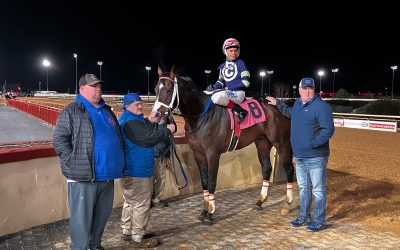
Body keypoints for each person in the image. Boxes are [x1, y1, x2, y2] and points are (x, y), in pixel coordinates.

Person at [53, 73, 124, 250]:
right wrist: (72, 163)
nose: (98, 88)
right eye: (94, 86)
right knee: (81, 224)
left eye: (99, 85)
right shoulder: (72, 110)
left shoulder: (107, 111)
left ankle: (95, 246)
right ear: (82, 89)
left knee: (101, 220)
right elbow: (60, 140)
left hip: (107, 177)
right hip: (84, 178)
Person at [266, 77, 334, 232]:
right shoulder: (297, 104)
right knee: (304, 188)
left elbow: (328, 130)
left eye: (311, 88)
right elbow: (290, 113)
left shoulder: (321, 107)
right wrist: (278, 104)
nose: (308, 91)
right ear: (300, 90)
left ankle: (318, 220)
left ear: (314, 89)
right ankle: (304, 217)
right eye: (305, 88)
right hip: (300, 156)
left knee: (318, 190)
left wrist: (313, 144)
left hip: (316, 156)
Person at [118, 93, 176, 247]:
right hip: (138, 171)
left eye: (140, 103)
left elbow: (143, 130)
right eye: (136, 104)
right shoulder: (130, 122)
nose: (140, 106)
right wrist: (168, 130)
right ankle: (137, 238)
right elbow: (149, 138)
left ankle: (127, 231)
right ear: (127, 106)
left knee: (130, 202)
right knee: (141, 204)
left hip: (131, 170)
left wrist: (151, 120)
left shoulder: (130, 119)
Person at [206, 37, 250, 122]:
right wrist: (213, 87)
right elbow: (220, 82)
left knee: (217, 97)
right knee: (205, 93)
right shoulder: (222, 66)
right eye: (231, 51)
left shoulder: (241, 63)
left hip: (238, 94)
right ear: (225, 51)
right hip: (228, 93)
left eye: (235, 51)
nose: (234, 53)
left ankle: (240, 110)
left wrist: (229, 88)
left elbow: (246, 82)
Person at [149, 112, 171, 208]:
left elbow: (167, 142)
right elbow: (157, 136)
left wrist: (168, 156)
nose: (163, 117)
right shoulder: (151, 125)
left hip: (161, 156)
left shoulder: (165, 126)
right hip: (151, 156)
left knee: (161, 179)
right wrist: (161, 124)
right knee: (150, 180)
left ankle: (156, 199)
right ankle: (148, 200)